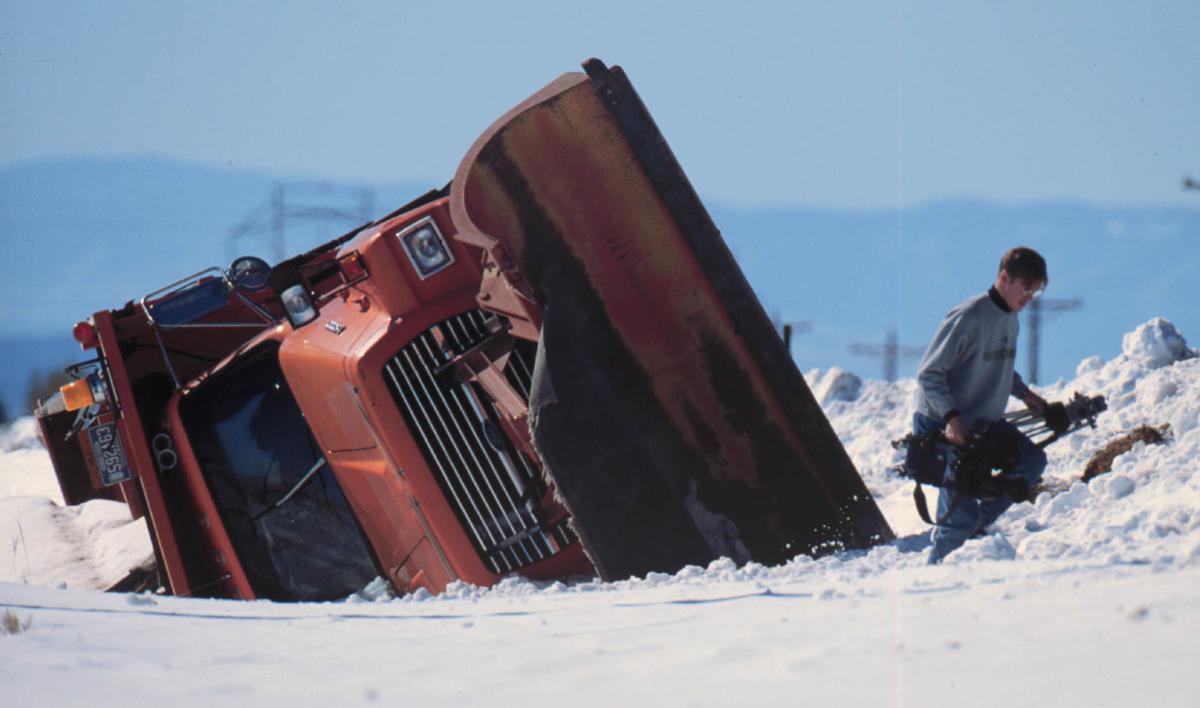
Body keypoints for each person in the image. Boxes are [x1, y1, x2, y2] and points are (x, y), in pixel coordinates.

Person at [913, 246, 1050, 564]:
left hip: (980, 423)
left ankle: (975, 523)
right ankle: (936, 574)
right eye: (1026, 288)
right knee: (957, 520)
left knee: (1030, 463)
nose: (1029, 297)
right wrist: (950, 417)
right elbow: (929, 374)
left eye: (1035, 291)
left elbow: (997, 363)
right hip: (943, 424)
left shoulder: (1011, 318)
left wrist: (1025, 394)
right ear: (1004, 278)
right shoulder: (968, 316)